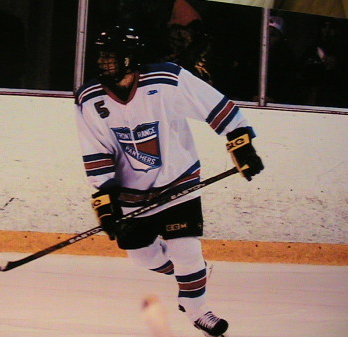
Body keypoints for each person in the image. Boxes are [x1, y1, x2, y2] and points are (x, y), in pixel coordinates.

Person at [74, 26, 264, 337]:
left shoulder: (166, 79)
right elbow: (96, 149)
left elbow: (213, 105)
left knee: (186, 248)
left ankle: (197, 309)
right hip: (132, 193)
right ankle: (193, 273)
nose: (103, 61)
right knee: (142, 258)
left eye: (111, 56)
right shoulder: (89, 98)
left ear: (131, 58)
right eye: (102, 55)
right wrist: (104, 198)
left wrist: (241, 144)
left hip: (179, 182)